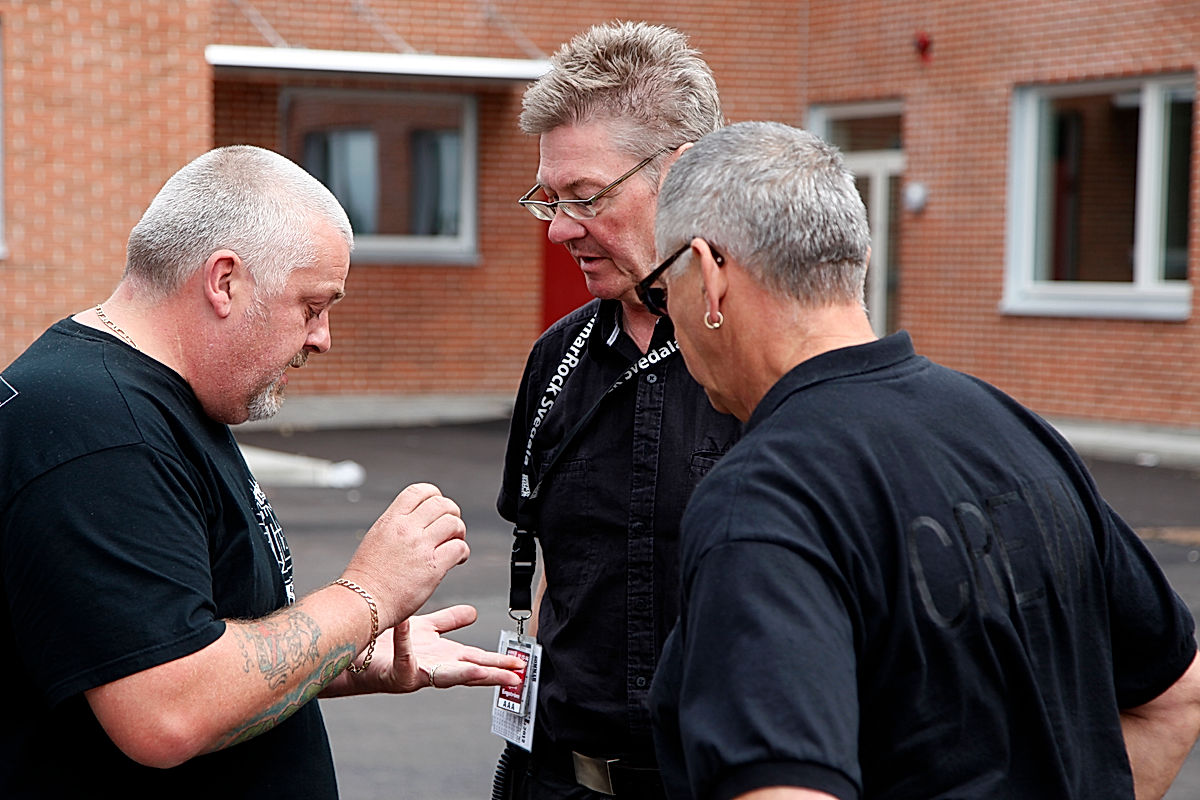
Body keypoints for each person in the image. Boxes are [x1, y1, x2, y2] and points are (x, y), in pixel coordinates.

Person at [643, 121, 1200, 800]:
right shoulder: (1015, 431)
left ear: (709, 274)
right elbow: (1175, 693)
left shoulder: (764, 500)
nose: (667, 318)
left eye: (661, 290)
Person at [0, 145, 523, 797]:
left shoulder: (147, 401)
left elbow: (174, 641)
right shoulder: (101, 429)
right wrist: (366, 596)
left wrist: (348, 654)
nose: (322, 337)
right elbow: (167, 710)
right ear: (225, 282)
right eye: (311, 306)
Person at [497, 20, 741, 799]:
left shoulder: (762, 358)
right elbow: (556, 576)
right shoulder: (555, 358)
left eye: (585, 196)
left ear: (681, 173)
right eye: (550, 199)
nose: (560, 228)